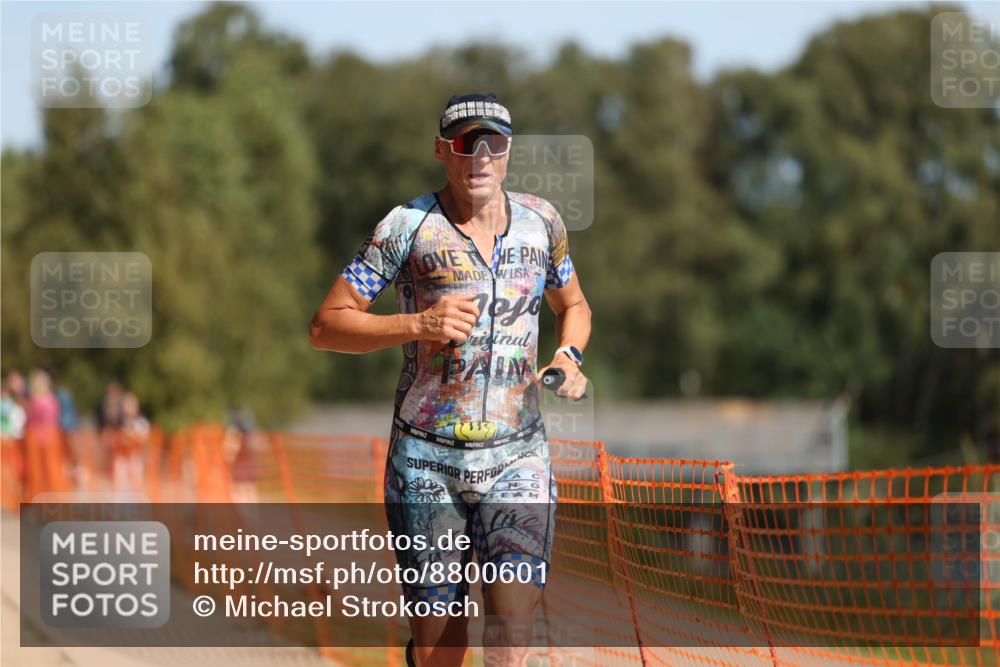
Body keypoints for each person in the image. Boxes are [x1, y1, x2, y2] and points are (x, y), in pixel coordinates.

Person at [309, 92, 591, 667]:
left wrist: (569, 357)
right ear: (443, 150)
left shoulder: (542, 223)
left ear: (509, 152)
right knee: (444, 649)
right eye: (467, 143)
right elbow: (326, 326)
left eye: (495, 143)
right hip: (425, 463)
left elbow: (575, 303)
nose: (480, 157)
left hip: (518, 458)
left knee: (511, 628)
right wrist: (418, 323)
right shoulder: (407, 226)